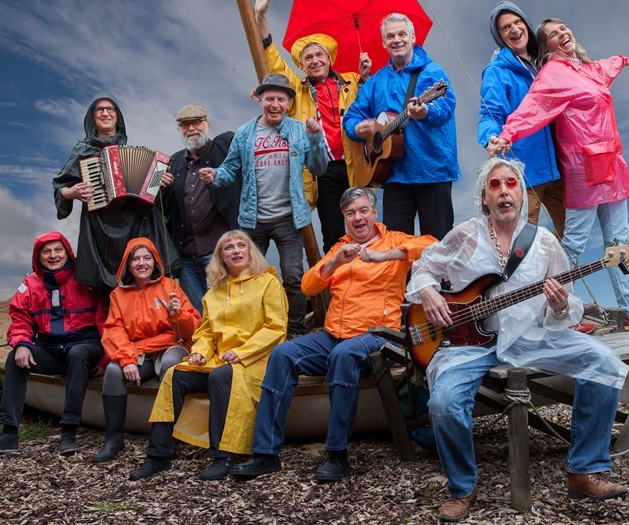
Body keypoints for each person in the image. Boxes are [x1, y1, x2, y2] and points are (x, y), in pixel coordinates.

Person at [406, 157, 629, 522]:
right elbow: (424, 266)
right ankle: (463, 488)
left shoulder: (543, 243)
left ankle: (584, 470)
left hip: (530, 337)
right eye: (495, 185)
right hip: (467, 343)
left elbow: (568, 305)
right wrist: (428, 291)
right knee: (444, 403)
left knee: (603, 362)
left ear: (521, 194)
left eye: (510, 183)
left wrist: (559, 306)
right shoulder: (465, 235)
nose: (504, 191)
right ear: (484, 198)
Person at [230, 187, 435, 482]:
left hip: (379, 335)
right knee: (283, 354)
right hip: (334, 335)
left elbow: (433, 245)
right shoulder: (340, 247)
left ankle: (337, 454)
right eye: (350, 213)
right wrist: (336, 261)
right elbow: (308, 285)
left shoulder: (395, 240)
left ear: (374, 213)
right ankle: (265, 453)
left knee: (344, 354)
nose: (358, 218)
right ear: (344, 219)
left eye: (363, 210)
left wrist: (383, 256)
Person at [489, 19, 629, 333]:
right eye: (553, 34)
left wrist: (622, 60)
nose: (563, 34)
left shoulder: (590, 70)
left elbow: (607, 66)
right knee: (570, 248)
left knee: (620, 245)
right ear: (547, 48)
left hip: (612, 167)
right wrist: (508, 134)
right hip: (582, 170)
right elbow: (532, 107)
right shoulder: (552, 74)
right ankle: (560, 314)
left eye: (564, 28)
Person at [129, 231, 287, 480]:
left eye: (240, 245)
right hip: (219, 360)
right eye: (228, 248)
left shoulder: (268, 283)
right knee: (175, 374)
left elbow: (276, 327)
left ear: (249, 251)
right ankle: (158, 454)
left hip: (255, 360)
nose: (235, 251)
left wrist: (242, 352)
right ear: (221, 257)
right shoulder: (214, 292)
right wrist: (200, 353)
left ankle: (223, 455)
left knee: (220, 378)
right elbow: (206, 333)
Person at [199, 73, 328, 336]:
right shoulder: (246, 132)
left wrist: (315, 139)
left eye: (281, 99)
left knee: (293, 278)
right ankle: (253, 329)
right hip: (252, 220)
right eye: (270, 98)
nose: (275, 104)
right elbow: (231, 167)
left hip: (290, 220)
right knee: (247, 279)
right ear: (260, 100)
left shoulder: (298, 130)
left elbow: (318, 167)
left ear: (288, 103)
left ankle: (294, 331)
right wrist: (216, 176)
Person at [254, 0, 372, 253]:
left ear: (329, 59)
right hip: (323, 170)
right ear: (302, 65)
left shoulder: (353, 80)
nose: (315, 60)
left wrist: (366, 78)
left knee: (364, 227)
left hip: (356, 163)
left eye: (319, 55)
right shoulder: (297, 89)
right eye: (308, 58)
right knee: (332, 233)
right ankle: (337, 291)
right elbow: (273, 61)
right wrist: (261, 17)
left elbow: (370, 106)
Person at [0, 232, 106, 456]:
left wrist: (105, 360)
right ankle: (8, 434)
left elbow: (104, 320)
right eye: (47, 252)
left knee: (78, 353)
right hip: (51, 350)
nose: (53, 255)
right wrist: (22, 343)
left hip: (85, 347)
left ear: (67, 252)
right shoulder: (30, 284)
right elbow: (20, 319)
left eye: (58, 250)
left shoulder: (85, 277)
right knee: (15, 357)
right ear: (38, 257)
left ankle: (68, 432)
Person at [344, 13, 460, 240]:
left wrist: (426, 111)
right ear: (384, 42)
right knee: (395, 245)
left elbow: (446, 108)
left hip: (432, 170)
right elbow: (351, 117)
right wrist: (358, 130)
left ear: (413, 37)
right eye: (390, 36)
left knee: (438, 243)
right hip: (393, 174)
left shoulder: (432, 72)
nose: (396, 39)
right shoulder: (377, 81)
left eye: (401, 34)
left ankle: (441, 279)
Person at [52, 93, 178, 291]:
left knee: (139, 277)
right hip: (100, 226)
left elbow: (151, 194)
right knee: (105, 290)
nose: (105, 113)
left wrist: (158, 181)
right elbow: (60, 186)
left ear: (117, 116)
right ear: (92, 117)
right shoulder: (82, 150)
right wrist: (70, 192)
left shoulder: (128, 150)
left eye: (110, 109)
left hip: (135, 223)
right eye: (99, 109)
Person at [93, 237, 200, 463]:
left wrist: (177, 315)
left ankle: (164, 437)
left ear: (155, 262)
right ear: (127, 265)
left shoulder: (171, 286)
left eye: (147, 258)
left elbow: (189, 332)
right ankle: (113, 439)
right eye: (136, 259)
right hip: (137, 352)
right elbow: (114, 330)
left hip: (169, 347)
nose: (142, 263)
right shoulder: (117, 295)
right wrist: (126, 358)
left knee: (172, 363)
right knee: (113, 372)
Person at [478, 1, 564, 237]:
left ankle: (560, 275)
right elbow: (490, 113)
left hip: (561, 168)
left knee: (571, 236)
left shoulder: (546, 62)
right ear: (500, 37)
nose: (514, 29)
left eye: (517, 22)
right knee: (523, 242)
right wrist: (491, 137)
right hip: (526, 172)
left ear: (526, 24)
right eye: (506, 28)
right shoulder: (497, 71)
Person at [164, 103, 241, 314]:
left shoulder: (225, 145)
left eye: (197, 122)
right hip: (186, 253)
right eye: (185, 125)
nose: (191, 129)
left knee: (228, 308)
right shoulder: (172, 161)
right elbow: (162, 207)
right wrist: (160, 187)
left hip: (218, 248)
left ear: (207, 124)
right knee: (199, 312)